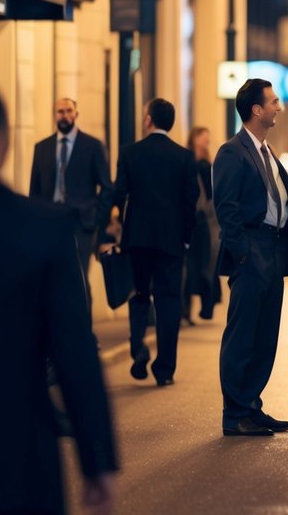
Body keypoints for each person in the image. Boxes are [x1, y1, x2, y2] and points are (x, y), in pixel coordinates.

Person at [0, 84, 118, 515]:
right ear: (0, 140)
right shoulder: (41, 228)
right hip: (18, 466)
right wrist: (96, 459)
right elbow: (74, 350)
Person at [213, 79, 288, 436]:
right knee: (242, 335)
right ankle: (234, 412)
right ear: (256, 109)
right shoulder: (232, 152)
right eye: (273, 101)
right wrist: (242, 254)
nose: (278, 106)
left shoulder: (267, 151)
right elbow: (227, 208)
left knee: (266, 335)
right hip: (251, 249)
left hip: (273, 249)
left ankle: (252, 405)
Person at [110, 98, 199, 386]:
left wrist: (119, 230)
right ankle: (165, 370)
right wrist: (186, 238)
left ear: (148, 120)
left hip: (137, 239)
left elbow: (119, 194)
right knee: (169, 302)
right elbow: (190, 201)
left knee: (139, 296)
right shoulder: (184, 157)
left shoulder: (130, 153)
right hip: (172, 241)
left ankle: (138, 347)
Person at [29, 96, 113, 311]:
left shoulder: (93, 146)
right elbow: (35, 189)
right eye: (60, 111)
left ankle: (85, 334)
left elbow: (106, 186)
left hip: (81, 222)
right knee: (51, 278)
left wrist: (97, 216)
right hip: (49, 221)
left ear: (76, 114)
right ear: (54, 115)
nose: (64, 115)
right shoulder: (42, 148)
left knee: (78, 276)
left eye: (68, 111)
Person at [185, 126, 222, 322]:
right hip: (196, 218)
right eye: (203, 137)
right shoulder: (190, 160)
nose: (207, 140)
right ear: (195, 138)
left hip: (208, 220)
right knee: (193, 264)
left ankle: (206, 306)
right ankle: (189, 310)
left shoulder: (208, 162)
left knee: (207, 263)